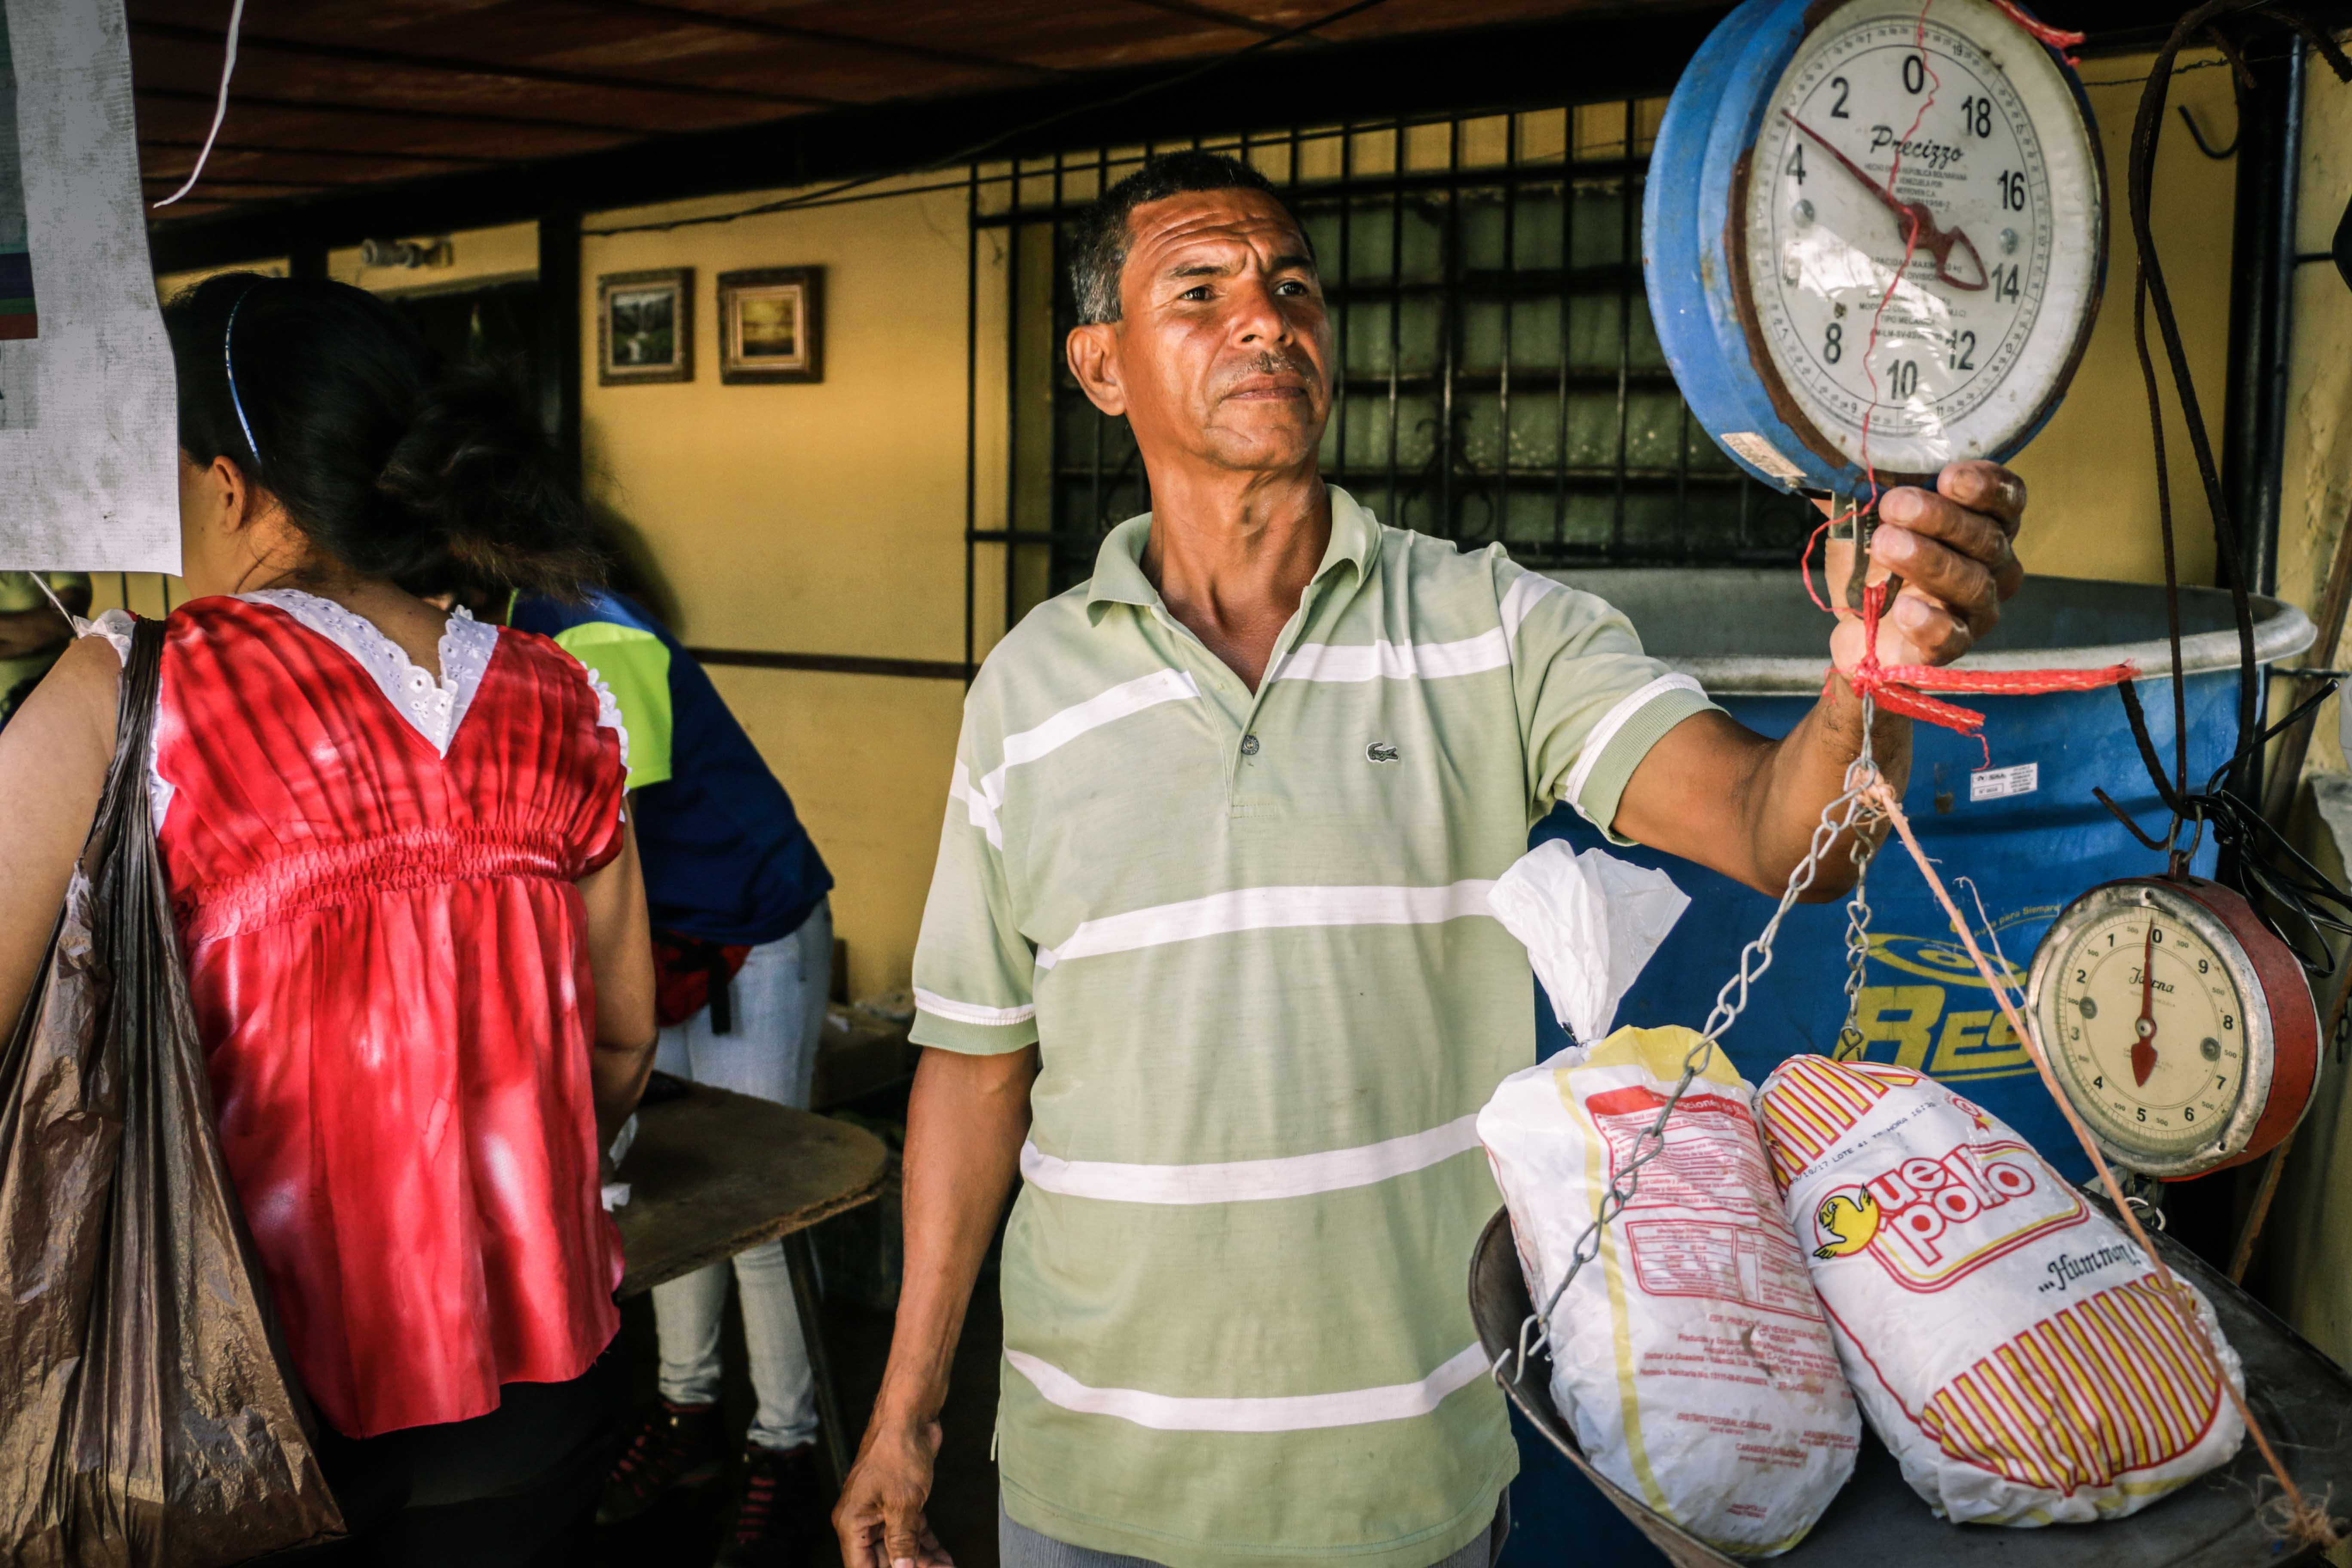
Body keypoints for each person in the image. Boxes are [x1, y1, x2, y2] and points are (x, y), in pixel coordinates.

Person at [833, 151, 2030, 1568]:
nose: (1266, 321)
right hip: (1090, 1472)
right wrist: (904, 1413)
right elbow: (975, 1066)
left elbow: (1787, 836)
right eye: (1200, 292)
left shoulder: (1492, 627)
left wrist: (1867, 680)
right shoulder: (1026, 693)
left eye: (1291, 286)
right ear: (1101, 366)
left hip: (1397, 1478)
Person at [0, 273, 659, 1565]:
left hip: (235, 1421)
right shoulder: (560, 697)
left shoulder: (135, 690)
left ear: (228, 484)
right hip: (539, 1398)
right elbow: (623, 1045)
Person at [498, 583, 835, 1567]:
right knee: (670, 1197)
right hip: (662, 936)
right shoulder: (486, 636)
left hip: (746, 932)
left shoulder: (593, 632)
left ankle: (788, 1448)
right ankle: (689, 1413)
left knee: (763, 1215)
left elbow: (605, 843)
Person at [0, 570, 89, 725]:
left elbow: (66, 621)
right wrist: (34, 636)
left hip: (44, 703)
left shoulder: (49, 551)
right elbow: (53, 627)